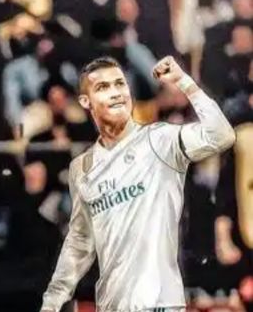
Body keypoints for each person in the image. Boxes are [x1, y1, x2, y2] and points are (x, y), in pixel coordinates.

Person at [40, 56, 236, 311]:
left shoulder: (160, 140)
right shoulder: (82, 167)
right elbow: (79, 241)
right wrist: (52, 301)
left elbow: (221, 135)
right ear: (86, 102)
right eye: (103, 87)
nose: (115, 93)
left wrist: (184, 82)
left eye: (120, 84)